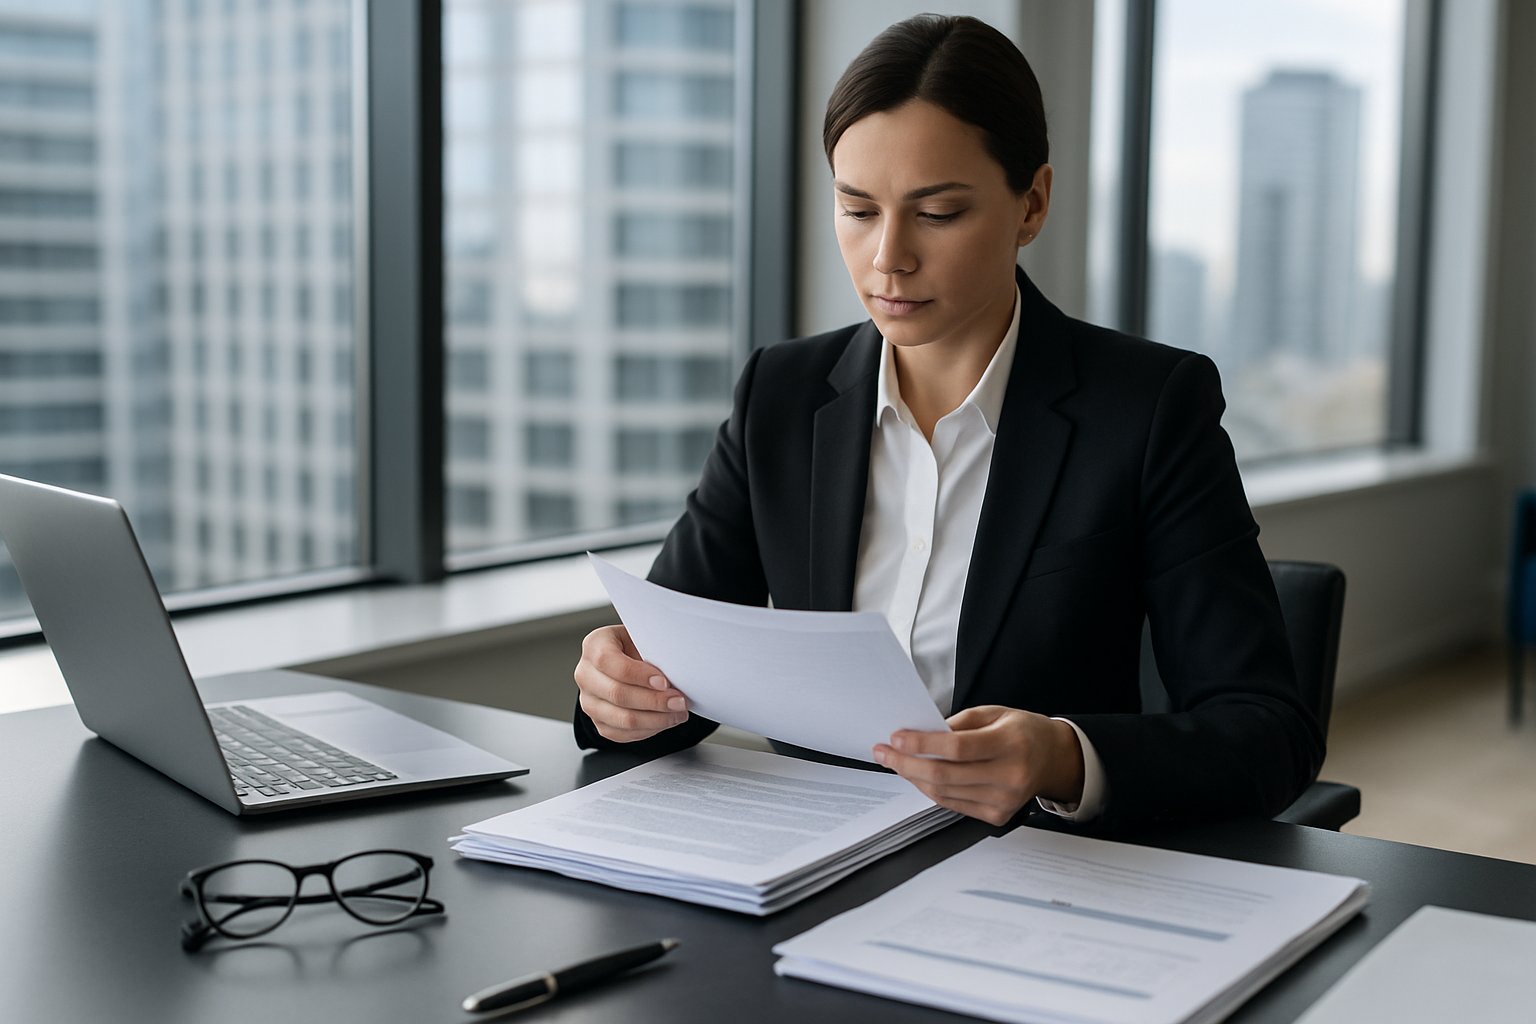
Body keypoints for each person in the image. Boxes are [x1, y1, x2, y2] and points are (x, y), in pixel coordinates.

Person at [572, 14, 1322, 831]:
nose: (888, 257)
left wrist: (1062, 757)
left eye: (936, 213)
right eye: (858, 210)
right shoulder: (781, 396)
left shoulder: (1148, 408)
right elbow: (672, 662)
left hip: (1037, 863)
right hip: (804, 854)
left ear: (1031, 204)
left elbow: (1268, 733)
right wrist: (620, 691)